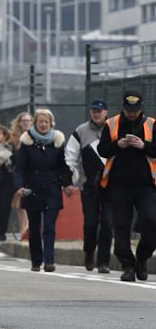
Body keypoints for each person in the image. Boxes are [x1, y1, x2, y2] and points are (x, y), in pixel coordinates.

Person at [97, 90, 156, 282]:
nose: (132, 113)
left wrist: (144, 146)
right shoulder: (111, 123)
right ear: (123, 107)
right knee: (121, 226)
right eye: (129, 110)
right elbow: (102, 149)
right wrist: (118, 144)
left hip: (145, 185)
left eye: (135, 110)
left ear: (141, 108)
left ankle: (142, 258)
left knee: (151, 221)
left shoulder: (152, 124)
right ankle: (128, 265)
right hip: (119, 185)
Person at [15, 109, 75, 272]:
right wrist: (20, 185)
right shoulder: (27, 142)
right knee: (34, 228)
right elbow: (20, 168)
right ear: (35, 123)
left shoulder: (57, 141)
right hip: (32, 188)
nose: (43, 124)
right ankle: (36, 261)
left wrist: (67, 184)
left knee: (49, 227)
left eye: (46, 122)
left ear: (51, 124)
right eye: (40, 121)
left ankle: (49, 261)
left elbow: (64, 166)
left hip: (52, 188)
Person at [64, 99, 113, 273]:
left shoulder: (114, 129)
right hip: (89, 186)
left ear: (106, 112)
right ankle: (89, 252)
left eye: (100, 111)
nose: (96, 114)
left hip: (111, 186)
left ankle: (104, 261)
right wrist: (70, 181)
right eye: (94, 111)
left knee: (107, 223)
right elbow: (70, 157)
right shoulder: (81, 131)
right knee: (91, 223)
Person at [9, 111, 33, 237]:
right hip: (19, 173)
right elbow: (11, 156)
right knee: (20, 203)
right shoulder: (13, 138)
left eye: (28, 120)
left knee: (30, 201)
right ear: (19, 123)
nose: (26, 123)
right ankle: (23, 228)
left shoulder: (35, 135)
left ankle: (28, 227)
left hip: (32, 172)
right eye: (24, 120)